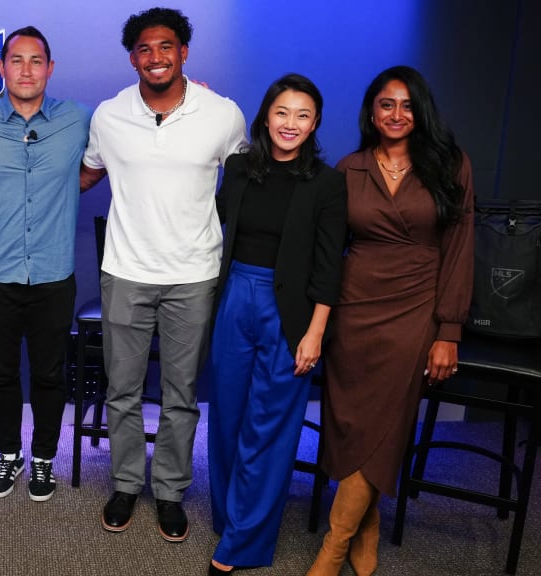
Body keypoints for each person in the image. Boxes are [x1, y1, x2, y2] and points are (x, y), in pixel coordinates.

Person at [80, 6, 247, 542]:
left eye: (166, 47)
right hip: (125, 271)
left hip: (194, 275)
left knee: (181, 393)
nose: (156, 57)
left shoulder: (222, 114)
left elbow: (247, 183)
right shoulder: (108, 116)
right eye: (145, 49)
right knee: (122, 390)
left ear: (184, 53)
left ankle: (171, 490)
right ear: (133, 58)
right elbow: (83, 174)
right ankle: (127, 483)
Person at [308, 65, 474, 576]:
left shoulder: (450, 166)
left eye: (406, 105)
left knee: (387, 421)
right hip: (354, 308)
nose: (396, 114)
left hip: (415, 308)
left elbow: (461, 248)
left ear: (420, 111)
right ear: (372, 112)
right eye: (386, 104)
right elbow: (327, 249)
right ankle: (368, 522)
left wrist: (449, 329)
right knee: (350, 421)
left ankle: (334, 547)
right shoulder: (348, 168)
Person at [206, 74, 347, 574]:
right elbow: (212, 216)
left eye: (303, 115)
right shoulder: (242, 167)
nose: (291, 124)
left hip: (293, 313)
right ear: (265, 116)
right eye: (282, 112)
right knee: (225, 416)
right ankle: (230, 518)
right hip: (234, 299)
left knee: (269, 426)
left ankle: (243, 544)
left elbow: (332, 266)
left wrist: (315, 332)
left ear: (315, 125)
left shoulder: (327, 184)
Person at [0, 26, 92, 502]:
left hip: (53, 273)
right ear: (1, 67)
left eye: (36, 61)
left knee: (51, 374)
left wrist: (190, 98)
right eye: (17, 60)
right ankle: (9, 453)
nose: (26, 69)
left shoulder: (79, 118)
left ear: (50, 68)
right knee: (1, 372)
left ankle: (42, 460)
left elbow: (134, 129)